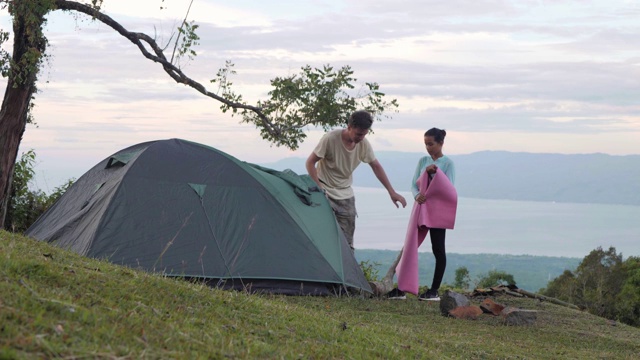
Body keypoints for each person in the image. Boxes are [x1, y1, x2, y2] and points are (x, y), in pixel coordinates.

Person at [306, 110, 407, 252]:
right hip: (324, 191)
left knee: (347, 243)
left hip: (345, 195)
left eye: (365, 134)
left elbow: (376, 166)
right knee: (322, 237)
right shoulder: (330, 139)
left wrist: (392, 192)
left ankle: (347, 272)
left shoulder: (363, 144)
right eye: (359, 134)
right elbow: (310, 163)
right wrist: (319, 188)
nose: (361, 137)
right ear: (349, 127)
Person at [387, 127, 456, 301]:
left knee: (438, 249)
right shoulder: (423, 161)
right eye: (426, 144)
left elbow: (449, 189)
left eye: (431, 144)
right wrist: (417, 196)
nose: (428, 147)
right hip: (421, 208)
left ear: (441, 143)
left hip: (438, 212)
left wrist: (435, 173)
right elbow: (413, 184)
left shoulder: (448, 164)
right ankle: (401, 288)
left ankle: (434, 291)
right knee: (410, 245)